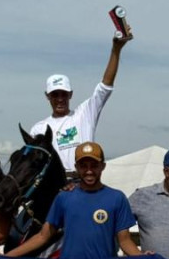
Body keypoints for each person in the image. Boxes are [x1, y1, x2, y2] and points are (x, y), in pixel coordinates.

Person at [0, 142, 143, 259]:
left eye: (94, 165)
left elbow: (125, 241)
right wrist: (6, 257)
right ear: (76, 168)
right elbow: (43, 236)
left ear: (103, 166)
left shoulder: (117, 198)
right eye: (83, 166)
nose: (89, 170)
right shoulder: (64, 197)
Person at [30, 26, 133, 175]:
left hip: (85, 180)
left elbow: (105, 86)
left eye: (64, 94)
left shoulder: (85, 113)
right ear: (47, 96)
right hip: (55, 186)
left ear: (70, 94)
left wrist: (116, 49)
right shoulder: (38, 129)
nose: (60, 99)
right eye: (55, 95)